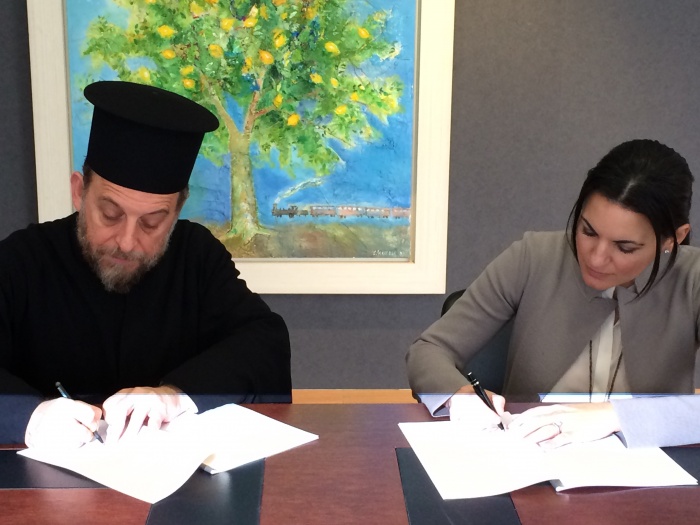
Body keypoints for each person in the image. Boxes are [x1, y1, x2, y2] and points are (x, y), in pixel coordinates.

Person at [0, 81, 291, 447]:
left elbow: (264, 342)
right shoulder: (22, 260)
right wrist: (29, 416)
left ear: (176, 213)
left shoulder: (196, 257)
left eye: (152, 222)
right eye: (110, 214)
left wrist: (175, 395)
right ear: (79, 192)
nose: (127, 241)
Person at [407, 139, 700, 449]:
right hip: (528, 454)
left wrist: (616, 416)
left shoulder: (693, 277)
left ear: (673, 238)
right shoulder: (533, 257)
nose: (596, 258)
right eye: (588, 231)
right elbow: (429, 350)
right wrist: (461, 397)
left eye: (625, 247)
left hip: (652, 465)